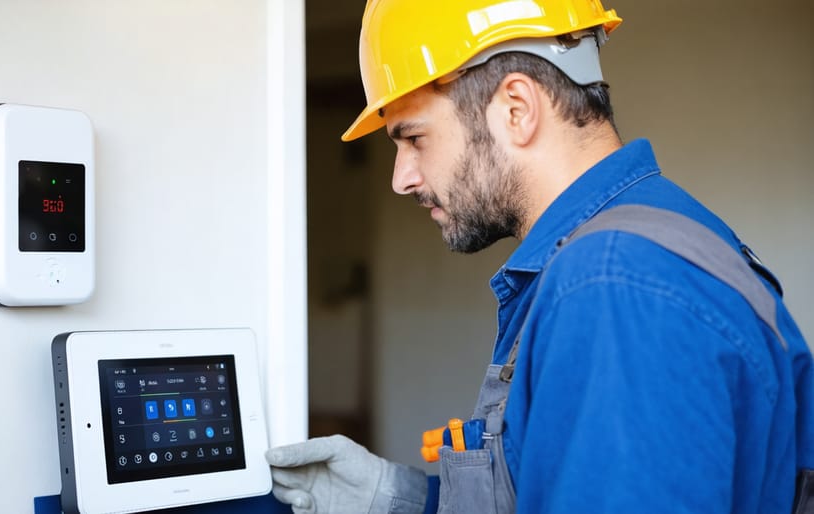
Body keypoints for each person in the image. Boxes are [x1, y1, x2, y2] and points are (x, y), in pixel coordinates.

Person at [265, 1, 814, 512]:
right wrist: (397, 498)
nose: (401, 178)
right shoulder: (649, 247)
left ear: (516, 108)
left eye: (413, 138)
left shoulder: (614, 286)